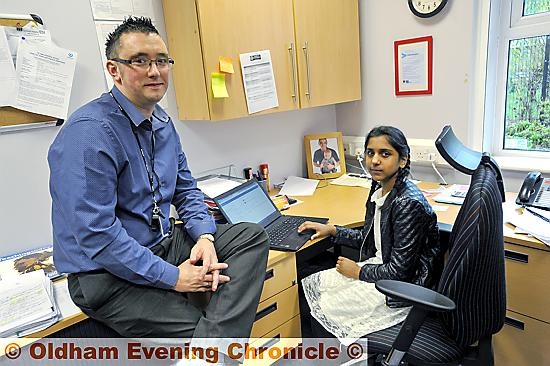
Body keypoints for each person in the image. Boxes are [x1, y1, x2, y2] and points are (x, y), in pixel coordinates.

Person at [47, 16, 270, 346]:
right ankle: (215, 348)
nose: (155, 71)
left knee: (250, 236)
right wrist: (175, 277)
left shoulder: (163, 123)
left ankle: (215, 346)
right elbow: (98, 237)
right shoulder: (89, 134)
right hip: (105, 274)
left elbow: (185, 188)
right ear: (114, 69)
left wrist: (204, 237)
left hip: (160, 244)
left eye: (161, 60)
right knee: (202, 334)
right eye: (139, 61)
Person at [298, 126, 441, 343]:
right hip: (378, 269)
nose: (374, 160)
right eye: (370, 152)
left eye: (385, 154)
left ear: (402, 160)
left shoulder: (407, 203)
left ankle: (336, 357)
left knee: (326, 304)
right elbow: (370, 238)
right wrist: (333, 230)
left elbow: (399, 272)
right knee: (311, 285)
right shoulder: (380, 188)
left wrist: (357, 272)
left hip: (401, 290)